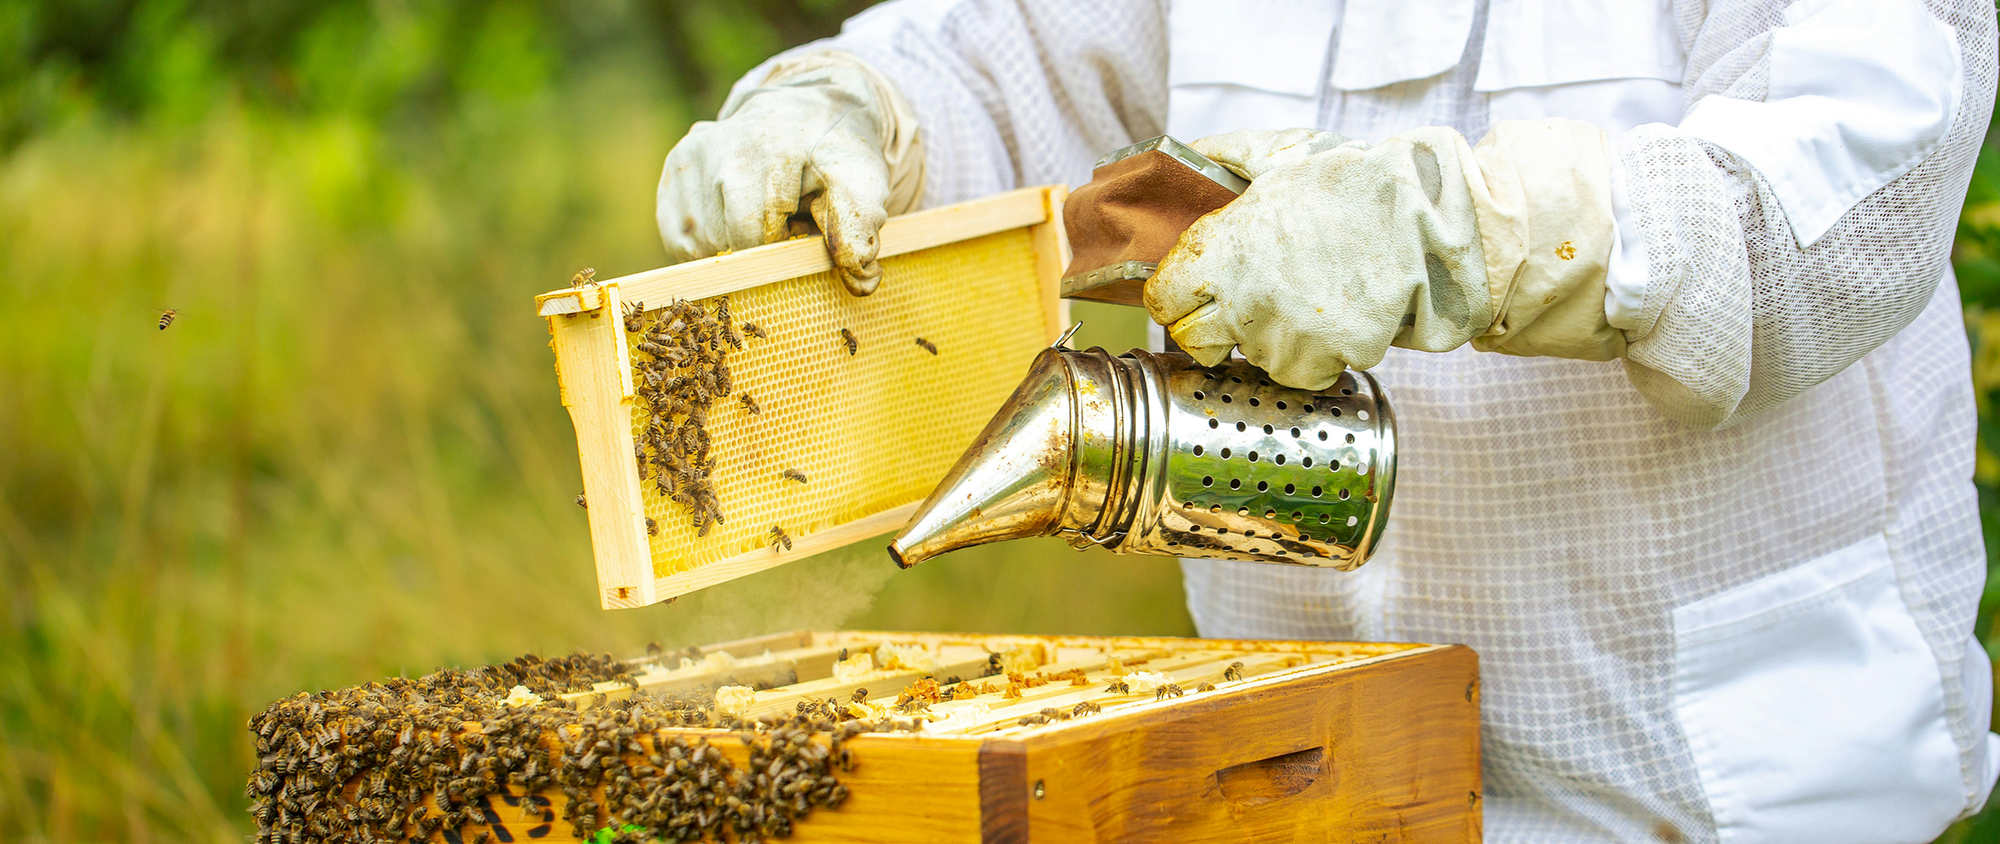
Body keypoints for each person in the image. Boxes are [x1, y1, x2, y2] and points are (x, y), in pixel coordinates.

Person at [653, 1, 2000, 841]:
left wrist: (1476, 233)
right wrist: (851, 113)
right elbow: (1004, 60)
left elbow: (1838, 203)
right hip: (1319, 788)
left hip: (1723, 792)